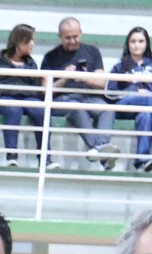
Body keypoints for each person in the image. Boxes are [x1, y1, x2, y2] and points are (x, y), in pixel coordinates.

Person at [39, 19, 117, 171]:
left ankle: (100, 147)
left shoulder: (92, 51)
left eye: (75, 36)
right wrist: (64, 78)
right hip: (64, 99)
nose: (72, 41)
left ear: (81, 33)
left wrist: (85, 78)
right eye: (68, 38)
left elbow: (102, 83)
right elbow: (45, 91)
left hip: (89, 96)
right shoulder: (51, 57)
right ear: (60, 37)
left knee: (108, 109)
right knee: (77, 107)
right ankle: (100, 150)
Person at [109, 28, 152, 174]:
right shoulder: (120, 66)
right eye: (133, 41)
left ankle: (142, 159)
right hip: (124, 107)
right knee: (147, 96)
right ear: (128, 44)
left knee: (146, 114)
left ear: (147, 44)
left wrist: (150, 96)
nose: (136, 45)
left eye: (141, 41)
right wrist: (134, 91)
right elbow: (110, 93)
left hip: (145, 109)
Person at [0, 24, 44, 167]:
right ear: (18, 41)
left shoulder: (31, 64)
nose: (33, 44)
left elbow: (37, 90)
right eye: (30, 40)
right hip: (2, 100)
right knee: (13, 109)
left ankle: (45, 157)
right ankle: (12, 156)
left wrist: (11, 90)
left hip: (26, 100)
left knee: (40, 110)